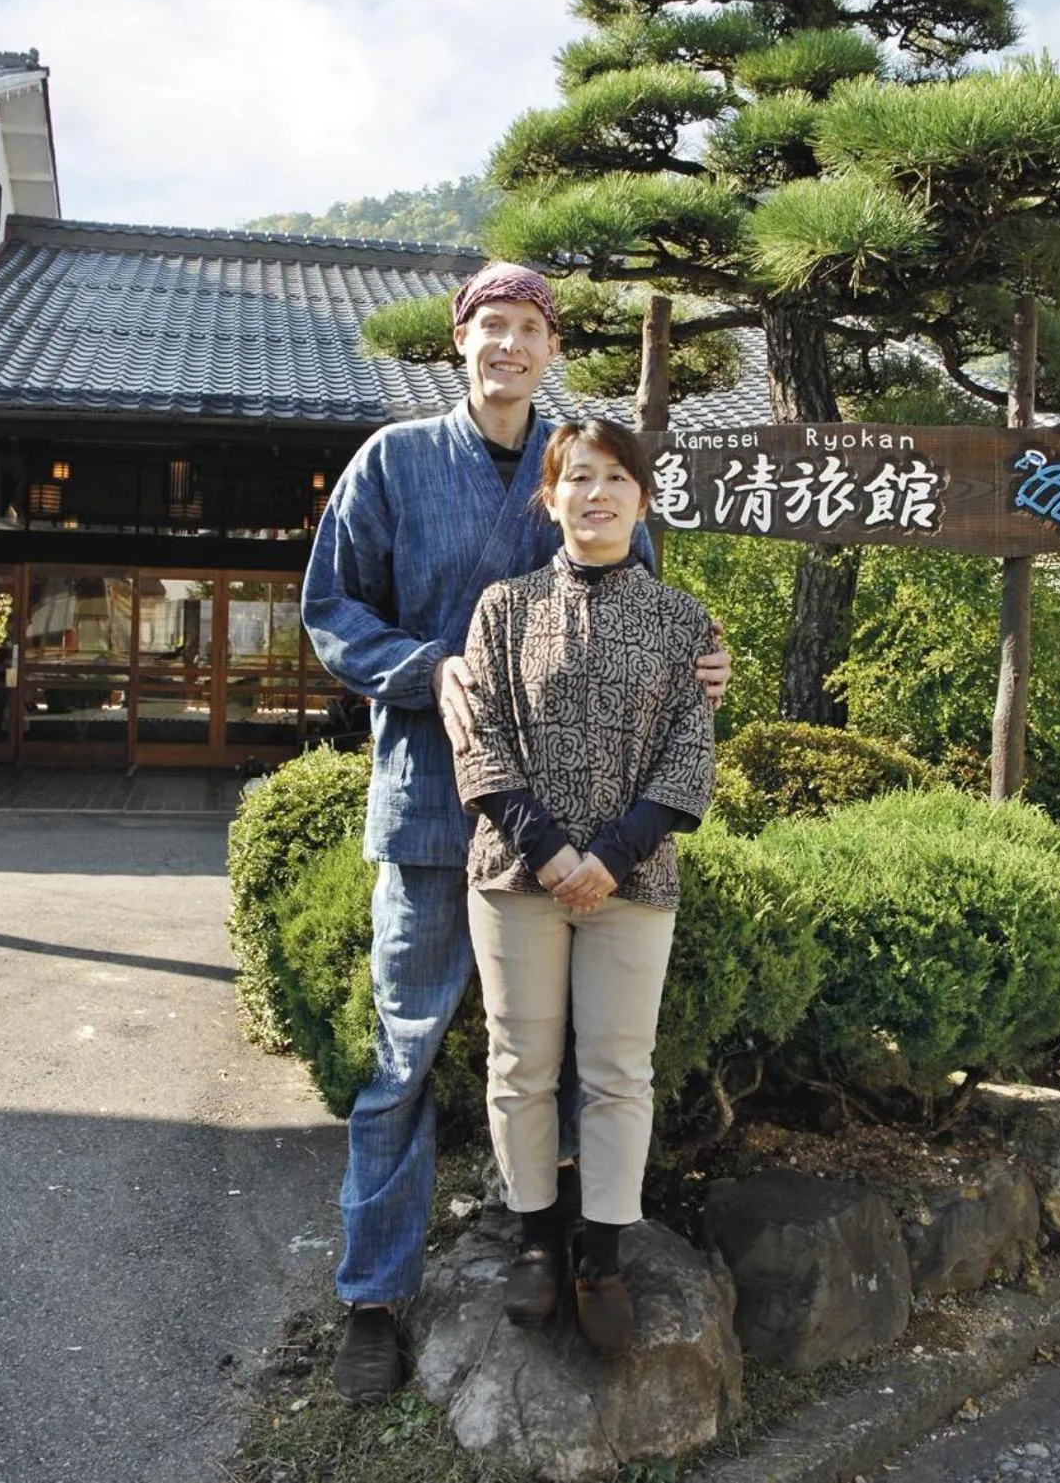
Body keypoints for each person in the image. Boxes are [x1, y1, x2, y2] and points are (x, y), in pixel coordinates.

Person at [301, 261, 731, 1400]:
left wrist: (706, 671)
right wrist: (426, 667)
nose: (508, 345)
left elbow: (641, 623)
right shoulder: (393, 463)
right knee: (408, 1054)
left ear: (550, 349)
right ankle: (375, 1299)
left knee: (570, 1053)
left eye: (528, 329)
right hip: (433, 808)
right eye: (489, 326)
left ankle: (568, 1252)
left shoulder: (580, 466)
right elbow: (330, 612)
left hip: (572, 835)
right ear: (460, 341)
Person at [455, 416, 716, 1356]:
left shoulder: (686, 621)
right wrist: (549, 848)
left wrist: (610, 852)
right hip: (517, 875)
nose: (596, 494)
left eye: (615, 478)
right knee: (521, 1062)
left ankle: (601, 1252)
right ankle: (535, 1240)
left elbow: (692, 757)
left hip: (634, 880)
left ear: (641, 500)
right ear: (551, 496)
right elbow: (478, 739)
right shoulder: (503, 608)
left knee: (616, 1071)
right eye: (578, 478)